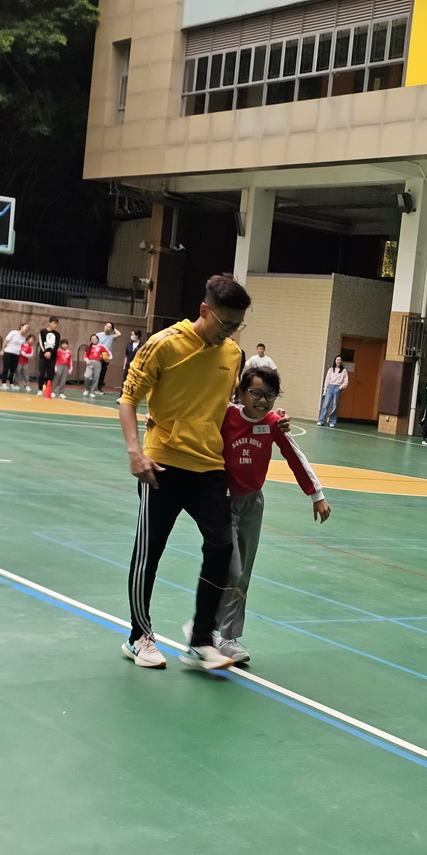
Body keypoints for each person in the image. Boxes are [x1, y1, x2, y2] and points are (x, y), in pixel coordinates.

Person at [119, 273, 256, 671]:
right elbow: (128, 399)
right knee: (149, 553)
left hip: (209, 466)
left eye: (238, 325)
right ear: (204, 310)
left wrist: (266, 422)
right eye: (225, 322)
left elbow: (219, 406)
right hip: (161, 465)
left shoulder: (233, 355)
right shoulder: (163, 345)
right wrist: (135, 452)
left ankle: (200, 639)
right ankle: (138, 636)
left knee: (222, 547)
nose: (230, 331)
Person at [207, 366, 331, 663]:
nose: (263, 401)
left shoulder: (274, 424)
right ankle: (206, 628)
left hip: (252, 503)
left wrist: (316, 494)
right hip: (222, 501)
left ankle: (226, 637)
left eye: (270, 395)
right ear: (241, 393)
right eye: (256, 393)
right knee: (231, 567)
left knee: (243, 573)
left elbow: (295, 456)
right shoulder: (225, 415)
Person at [317, 354, 349, 428]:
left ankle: (332, 422)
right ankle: (321, 421)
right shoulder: (331, 369)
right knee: (325, 405)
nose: (338, 361)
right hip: (330, 387)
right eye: (337, 360)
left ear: (341, 361)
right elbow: (327, 380)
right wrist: (325, 390)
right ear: (335, 361)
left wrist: (340, 388)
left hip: (337, 387)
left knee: (335, 405)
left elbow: (346, 382)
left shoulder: (344, 371)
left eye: (340, 360)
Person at [37, 317, 61, 395]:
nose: (55, 325)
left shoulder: (57, 334)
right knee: (41, 373)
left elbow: (57, 345)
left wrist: (51, 353)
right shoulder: (42, 331)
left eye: (57, 324)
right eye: (54, 323)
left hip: (52, 356)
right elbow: (40, 342)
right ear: (50, 323)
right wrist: (45, 352)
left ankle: (48, 389)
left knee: (50, 374)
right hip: (43, 356)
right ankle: (40, 389)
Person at [1, 322, 28, 390]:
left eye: (28, 328)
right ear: (21, 327)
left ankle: (11, 383)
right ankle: (4, 383)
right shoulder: (13, 332)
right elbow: (6, 340)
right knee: (6, 368)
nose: (26, 329)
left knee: (13, 369)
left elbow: (22, 346)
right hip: (8, 352)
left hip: (16, 354)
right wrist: (2, 350)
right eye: (26, 327)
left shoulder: (23, 338)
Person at [96, 321, 121, 392]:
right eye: (106, 326)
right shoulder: (98, 335)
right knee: (96, 372)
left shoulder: (111, 336)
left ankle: (99, 387)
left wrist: (113, 328)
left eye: (109, 327)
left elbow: (119, 334)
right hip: (98, 356)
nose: (107, 328)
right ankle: (93, 387)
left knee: (102, 372)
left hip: (106, 357)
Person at [82, 333, 107, 397]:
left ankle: (92, 391)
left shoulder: (101, 347)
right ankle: (87, 389)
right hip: (90, 362)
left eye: (95, 338)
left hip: (98, 362)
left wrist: (106, 358)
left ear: (98, 339)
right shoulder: (89, 347)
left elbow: (107, 354)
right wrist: (87, 360)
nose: (94, 340)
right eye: (92, 339)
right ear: (91, 340)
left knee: (96, 377)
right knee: (87, 376)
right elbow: (85, 355)